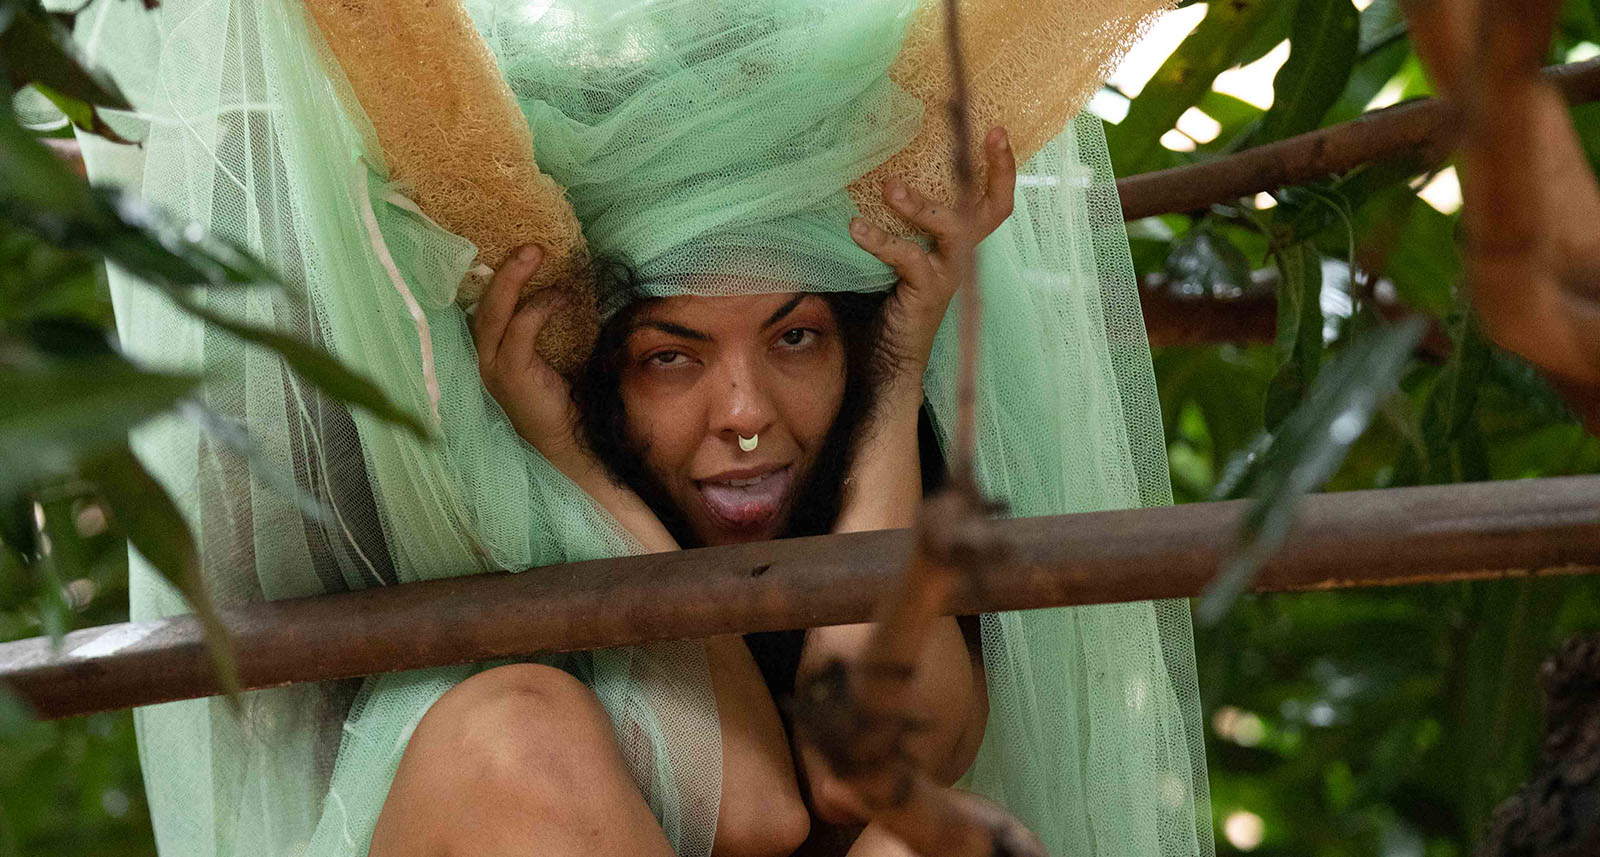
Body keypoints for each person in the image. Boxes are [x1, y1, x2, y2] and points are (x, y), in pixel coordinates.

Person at [368, 127, 1018, 857]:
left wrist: (895, 376)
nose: (745, 413)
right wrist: (576, 461)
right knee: (514, 722)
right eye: (670, 357)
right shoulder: (509, 668)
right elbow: (755, 812)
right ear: (599, 384)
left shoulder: (917, 525)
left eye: (795, 339)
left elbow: (855, 775)